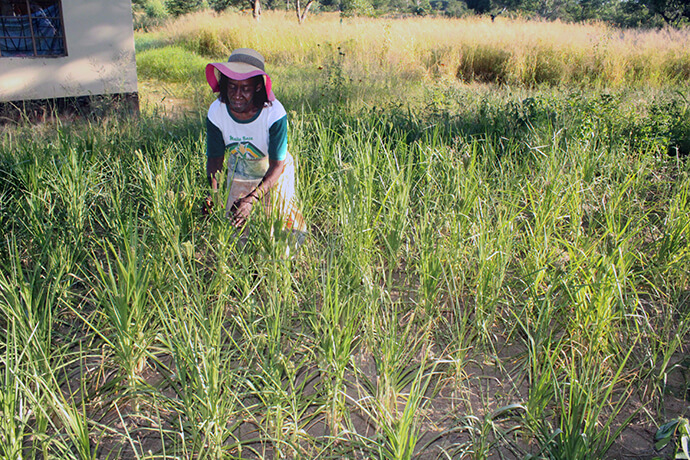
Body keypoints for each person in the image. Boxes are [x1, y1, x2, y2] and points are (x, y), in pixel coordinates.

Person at [204, 48, 305, 236]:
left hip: (274, 169)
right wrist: (214, 193)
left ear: (258, 87)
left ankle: (278, 264)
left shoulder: (274, 114)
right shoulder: (217, 111)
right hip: (240, 166)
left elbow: (277, 166)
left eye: (245, 88)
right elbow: (215, 159)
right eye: (232, 86)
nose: (237, 95)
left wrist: (251, 199)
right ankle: (246, 264)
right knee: (237, 224)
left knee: (276, 225)